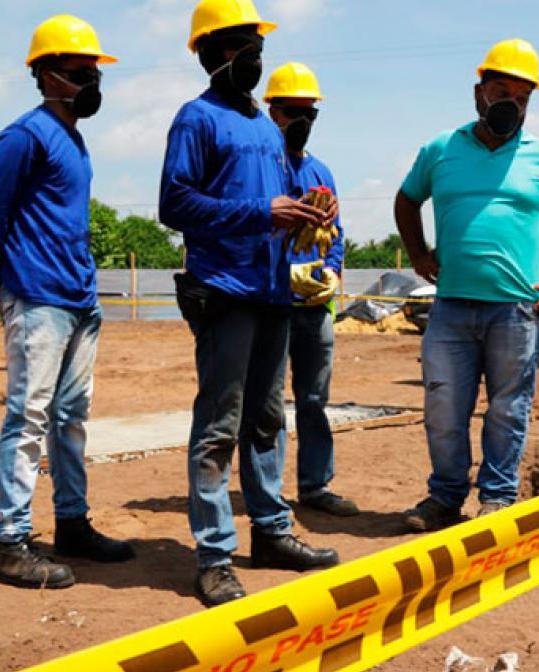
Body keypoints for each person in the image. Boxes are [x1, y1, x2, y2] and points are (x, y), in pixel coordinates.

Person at [159, 0, 339, 607]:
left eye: (255, 42)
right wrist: (262, 213)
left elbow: (282, 199)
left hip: (272, 294)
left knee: (268, 421)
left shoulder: (265, 126)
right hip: (226, 293)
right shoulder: (196, 120)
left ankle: (271, 532)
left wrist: (312, 204)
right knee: (219, 425)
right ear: (210, 54)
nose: (251, 56)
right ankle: (213, 555)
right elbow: (174, 205)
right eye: (238, 44)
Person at [395, 38, 539, 531]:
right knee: (444, 407)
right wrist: (418, 253)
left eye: (523, 97)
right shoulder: (441, 150)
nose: (512, 104)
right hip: (452, 308)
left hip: (517, 310)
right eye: (502, 91)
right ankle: (444, 499)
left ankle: (498, 499)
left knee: (508, 409)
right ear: (478, 92)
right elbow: (406, 200)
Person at [0, 15, 133, 589]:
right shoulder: (25, 136)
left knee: (71, 418)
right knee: (29, 414)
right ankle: (13, 541)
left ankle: (72, 523)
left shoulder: (73, 139)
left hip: (78, 298)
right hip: (38, 295)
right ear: (45, 76)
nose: (91, 81)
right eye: (78, 72)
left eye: (93, 71)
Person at [264, 62, 359, 517]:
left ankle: (315, 486)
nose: (301, 121)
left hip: (315, 305)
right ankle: (268, 491)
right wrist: (281, 273)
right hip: (272, 302)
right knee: (267, 404)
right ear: (272, 112)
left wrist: (333, 275)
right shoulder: (260, 168)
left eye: (310, 113)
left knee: (314, 400)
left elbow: (335, 233)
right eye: (292, 111)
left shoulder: (321, 172)